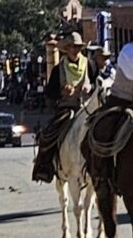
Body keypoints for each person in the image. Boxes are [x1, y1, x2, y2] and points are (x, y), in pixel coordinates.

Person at [31, 32, 95, 184]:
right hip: (68, 107)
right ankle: (45, 166)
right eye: (72, 47)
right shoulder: (58, 69)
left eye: (78, 47)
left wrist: (89, 86)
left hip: (88, 107)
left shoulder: (89, 64)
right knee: (49, 134)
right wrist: (62, 92)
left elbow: (99, 83)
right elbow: (49, 93)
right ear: (66, 49)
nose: (75, 50)